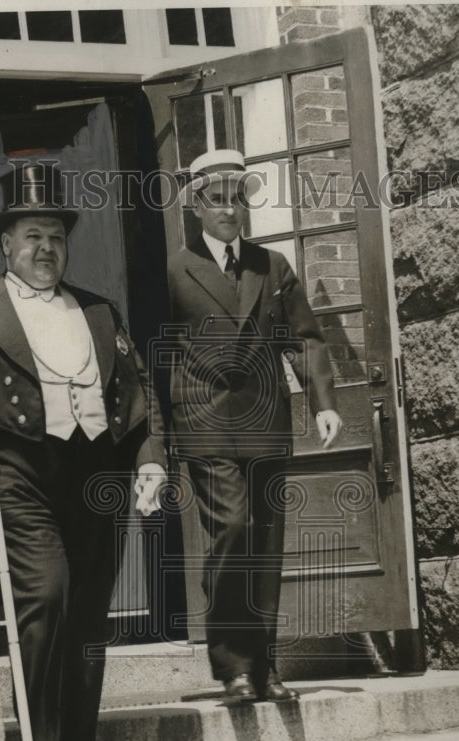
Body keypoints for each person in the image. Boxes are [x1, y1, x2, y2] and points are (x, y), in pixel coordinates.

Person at [0, 162, 166, 741]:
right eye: (32, 236)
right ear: (6, 243)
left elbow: (142, 400)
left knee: (87, 615)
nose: (45, 249)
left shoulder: (100, 313)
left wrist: (152, 459)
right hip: (17, 473)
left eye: (55, 236)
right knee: (47, 595)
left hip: (93, 478)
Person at [167, 149, 343, 703]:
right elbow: (157, 357)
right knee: (232, 534)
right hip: (207, 426)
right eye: (216, 199)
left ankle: (265, 669)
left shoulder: (272, 266)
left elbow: (305, 338)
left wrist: (322, 402)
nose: (228, 210)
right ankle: (233, 666)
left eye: (237, 197)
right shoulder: (172, 270)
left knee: (265, 546)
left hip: (265, 423)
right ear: (197, 205)